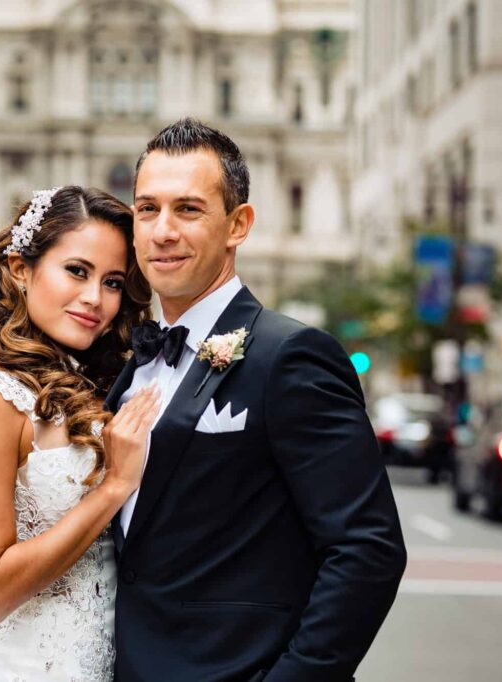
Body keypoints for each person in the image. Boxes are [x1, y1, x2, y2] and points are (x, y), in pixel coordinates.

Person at [105, 118, 408, 681]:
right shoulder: (132, 364)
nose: (161, 231)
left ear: (237, 224)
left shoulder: (291, 356)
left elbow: (368, 550)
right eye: (147, 210)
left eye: (188, 209)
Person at [0, 185, 161, 681]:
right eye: (77, 271)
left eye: (112, 283)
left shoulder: (101, 381)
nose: (95, 299)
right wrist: (113, 487)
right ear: (22, 269)